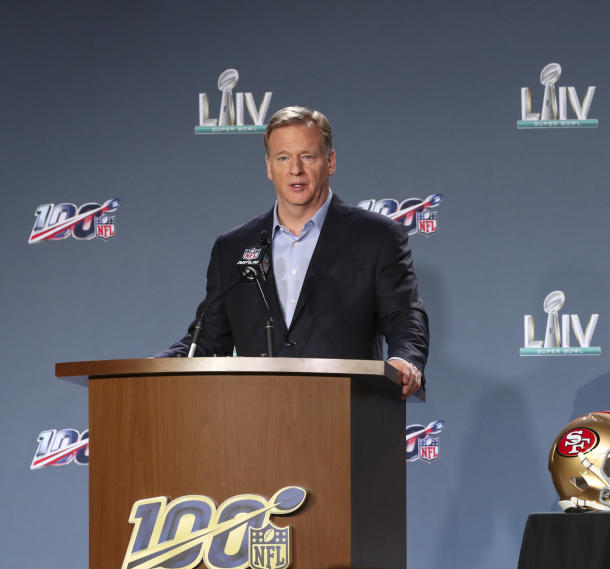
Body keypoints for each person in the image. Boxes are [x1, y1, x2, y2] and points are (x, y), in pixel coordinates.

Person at [157, 106, 428, 398]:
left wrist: (405, 358)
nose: (295, 169)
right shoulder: (233, 246)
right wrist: (154, 367)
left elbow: (404, 314)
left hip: (349, 413)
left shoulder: (376, 237)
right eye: (283, 157)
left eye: (307, 156)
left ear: (331, 161)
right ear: (269, 167)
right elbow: (208, 337)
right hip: (256, 418)